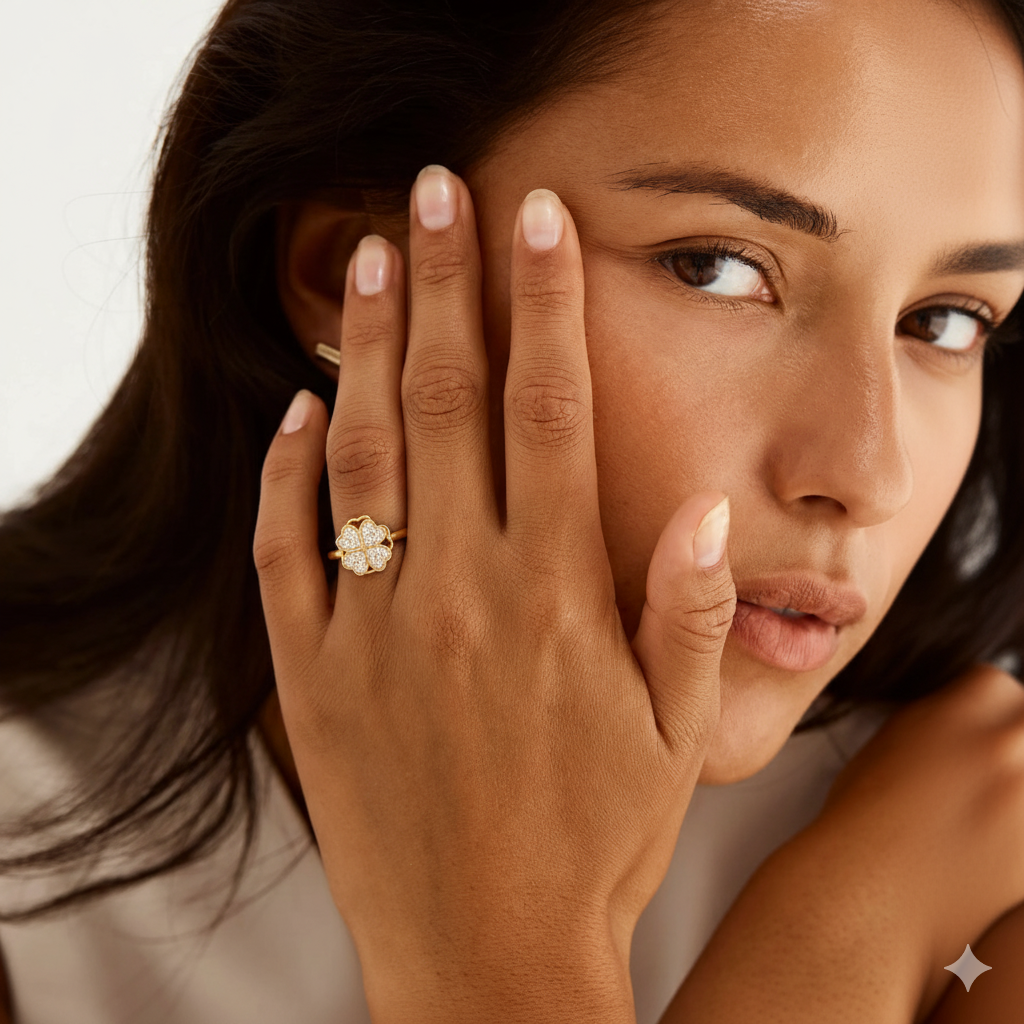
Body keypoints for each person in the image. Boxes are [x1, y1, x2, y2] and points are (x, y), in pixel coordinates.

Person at [1, 0, 1023, 1021]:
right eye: (716, 268)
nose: (866, 472)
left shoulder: (983, 862)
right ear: (352, 269)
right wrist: (819, 957)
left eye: (943, 321)